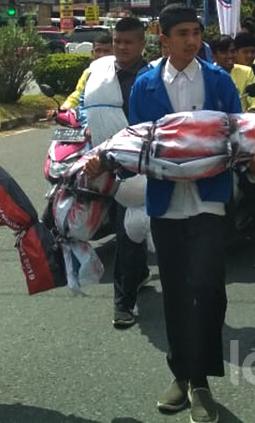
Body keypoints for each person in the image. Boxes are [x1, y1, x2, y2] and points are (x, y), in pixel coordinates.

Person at [89, 3, 255, 423]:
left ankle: (201, 380)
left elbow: (239, 137)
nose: (192, 41)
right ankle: (183, 376)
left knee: (208, 288)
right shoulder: (146, 87)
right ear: (164, 39)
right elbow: (137, 142)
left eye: (197, 33)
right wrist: (106, 160)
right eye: (183, 34)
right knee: (174, 291)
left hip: (209, 200)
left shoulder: (219, 82)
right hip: (166, 204)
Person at [78, 17, 152, 329]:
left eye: (129, 42)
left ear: (142, 44)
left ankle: (129, 292)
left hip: (143, 165)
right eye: (118, 42)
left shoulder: (154, 78)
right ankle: (128, 292)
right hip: (102, 160)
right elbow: (84, 107)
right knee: (127, 232)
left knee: (135, 230)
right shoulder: (99, 74)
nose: (122, 48)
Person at [46, 33, 113, 120]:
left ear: (114, 52)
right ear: (92, 53)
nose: (102, 55)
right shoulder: (89, 72)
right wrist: (63, 109)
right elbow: (78, 94)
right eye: (98, 51)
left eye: (106, 51)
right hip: (92, 120)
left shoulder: (121, 71)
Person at [211, 35, 255, 112]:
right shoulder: (207, 74)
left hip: (242, 119)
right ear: (213, 55)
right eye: (224, 52)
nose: (230, 56)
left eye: (232, 52)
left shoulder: (247, 72)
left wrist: (254, 109)